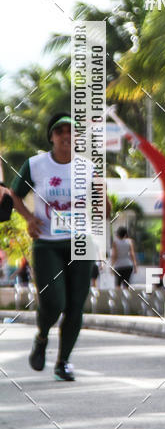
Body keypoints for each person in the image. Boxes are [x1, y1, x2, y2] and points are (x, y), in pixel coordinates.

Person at [11, 113, 95, 381]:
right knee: (54, 301)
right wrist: (29, 218)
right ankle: (42, 336)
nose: (66, 136)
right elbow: (15, 194)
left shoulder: (87, 167)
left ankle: (63, 362)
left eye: (71, 131)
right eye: (60, 131)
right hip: (47, 243)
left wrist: (101, 206)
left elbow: (99, 202)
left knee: (75, 305)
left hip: (81, 242)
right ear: (51, 136)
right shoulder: (36, 165)